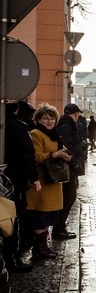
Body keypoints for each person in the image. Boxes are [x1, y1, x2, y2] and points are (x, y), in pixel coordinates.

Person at [26, 104, 73, 258]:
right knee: (41, 215)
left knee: (47, 216)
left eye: (52, 118)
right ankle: (38, 249)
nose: (49, 121)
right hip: (42, 181)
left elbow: (58, 150)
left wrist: (65, 154)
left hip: (53, 180)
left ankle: (43, 247)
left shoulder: (54, 134)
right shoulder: (36, 134)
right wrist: (55, 154)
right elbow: (36, 156)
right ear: (38, 119)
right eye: (45, 118)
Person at [2, 101, 39, 273]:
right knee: (13, 217)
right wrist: (33, 177)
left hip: (8, 176)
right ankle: (11, 259)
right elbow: (27, 154)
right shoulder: (19, 127)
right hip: (15, 179)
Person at [55, 103, 85, 240]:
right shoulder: (67, 126)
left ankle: (60, 227)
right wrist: (74, 163)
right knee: (69, 197)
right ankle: (59, 228)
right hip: (69, 168)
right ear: (74, 114)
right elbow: (66, 146)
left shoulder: (69, 125)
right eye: (77, 114)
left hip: (71, 168)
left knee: (69, 197)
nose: (78, 117)